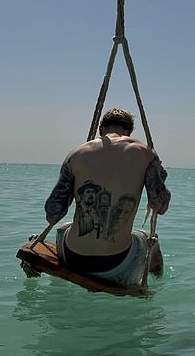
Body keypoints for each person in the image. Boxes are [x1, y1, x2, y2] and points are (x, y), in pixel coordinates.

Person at [43, 108, 171, 287]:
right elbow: (160, 206)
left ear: (100, 129)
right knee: (151, 240)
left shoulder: (76, 154)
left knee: (63, 228)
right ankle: (158, 283)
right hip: (115, 261)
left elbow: (53, 213)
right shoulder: (145, 154)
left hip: (73, 257)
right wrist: (159, 177)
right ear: (129, 131)